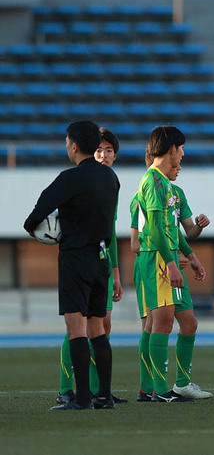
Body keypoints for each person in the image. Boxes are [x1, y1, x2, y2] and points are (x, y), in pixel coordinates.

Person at [24, 120, 120, 410]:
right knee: (98, 330)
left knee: (76, 329)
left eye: (67, 143)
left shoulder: (69, 178)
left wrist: (42, 231)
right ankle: (104, 396)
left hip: (75, 258)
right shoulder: (110, 178)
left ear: (74, 146)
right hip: (102, 259)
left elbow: (34, 217)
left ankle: (80, 399)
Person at [56, 128, 127, 406]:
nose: (104, 154)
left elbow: (109, 230)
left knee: (102, 326)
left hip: (102, 263)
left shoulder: (111, 181)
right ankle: (66, 388)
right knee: (77, 327)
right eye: (99, 150)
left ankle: (100, 390)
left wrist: (116, 273)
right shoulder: (80, 180)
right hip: (79, 261)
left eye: (109, 150)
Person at [133, 156, 212, 402]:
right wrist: (171, 261)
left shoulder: (174, 192)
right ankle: (154, 388)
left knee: (188, 323)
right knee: (156, 323)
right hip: (154, 261)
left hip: (170, 261)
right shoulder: (146, 190)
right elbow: (139, 241)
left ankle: (179, 384)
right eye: (177, 161)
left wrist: (191, 252)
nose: (180, 166)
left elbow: (180, 230)